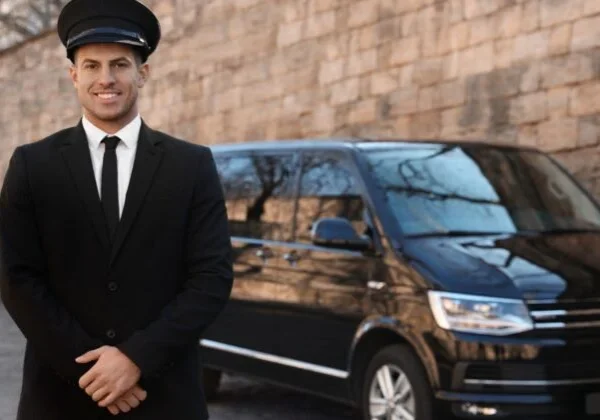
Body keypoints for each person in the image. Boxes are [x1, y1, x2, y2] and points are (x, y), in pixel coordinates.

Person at [0, 0, 233, 418]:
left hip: (162, 398)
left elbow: (211, 278)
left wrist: (136, 359)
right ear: (73, 75)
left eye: (120, 64)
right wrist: (95, 371)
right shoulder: (32, 165)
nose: (106, 79)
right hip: (59, 399)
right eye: (91, 65)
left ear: (142, 73)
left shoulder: (191, 165)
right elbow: (16, 277)